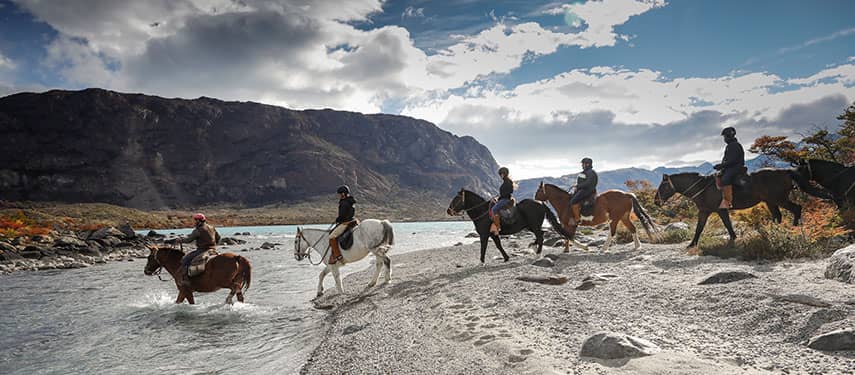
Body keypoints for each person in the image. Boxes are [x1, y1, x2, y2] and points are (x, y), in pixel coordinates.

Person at [176, 213, 221, 288]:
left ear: (199, 221)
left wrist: (180, 240)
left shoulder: (198, 230)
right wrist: (214, 245)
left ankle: (186, 280)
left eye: (195, 220)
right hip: (212, 249)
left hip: (202, 250)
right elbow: (218, 238)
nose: (194, 222)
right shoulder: (212, 227)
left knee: (185, 259)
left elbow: (188, 240)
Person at [713, 126, 744, 209]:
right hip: (731, 167)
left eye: (725, 137)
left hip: (736, 167)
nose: (724, 139)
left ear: (728, 136)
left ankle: (728, 202)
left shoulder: (734, 145)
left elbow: (732, 160)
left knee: (725, 179)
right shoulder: (731, 145)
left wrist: (721, 165)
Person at [329, 185, 357, 264]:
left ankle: (338, 256)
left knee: (331, 237)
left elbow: (342, 215)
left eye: (339, 194)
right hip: (353, 220)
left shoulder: (344, 202)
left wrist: (338, 219)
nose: (338, 196)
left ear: (343, 194)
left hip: (346, 222)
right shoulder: (351, 201)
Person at [569, 157, 598, 225]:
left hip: (587, 190)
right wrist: (577, 186)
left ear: (587, 164)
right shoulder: (585, 172)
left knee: (573, 202)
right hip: (582, 189)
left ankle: (577, 218)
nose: (582, 165)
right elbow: (581, 181)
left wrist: (578, 186)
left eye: (583, 164)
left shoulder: (591, 172)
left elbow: (588, 183)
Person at [490, 167, 514, 235]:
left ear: (504, 174)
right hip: (503, 198)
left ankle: (497, 228)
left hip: (505, 199)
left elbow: (510, 191)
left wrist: (501, 197)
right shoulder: (506, 181)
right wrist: (498, 197)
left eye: (501, 174)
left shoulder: (508, 182)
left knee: (494, 209)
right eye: (500, 174)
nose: (500, 175)